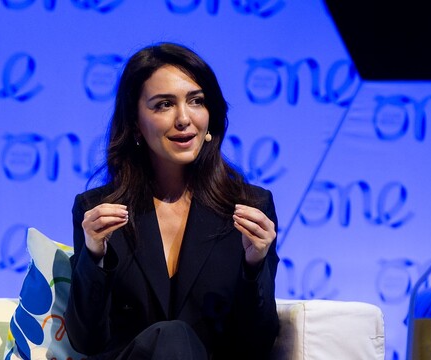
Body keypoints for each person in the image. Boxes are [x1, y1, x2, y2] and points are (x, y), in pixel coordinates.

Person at [64, 42, 280, 360]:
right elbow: (87, 342)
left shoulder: (249, 208)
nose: (183, 119)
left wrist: (254, 266)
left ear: (212, 115)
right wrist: (94, 258)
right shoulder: (98, 210)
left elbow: (257, 344)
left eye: (196, 101)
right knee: (171, 336)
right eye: (164, 105)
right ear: (136, 122)